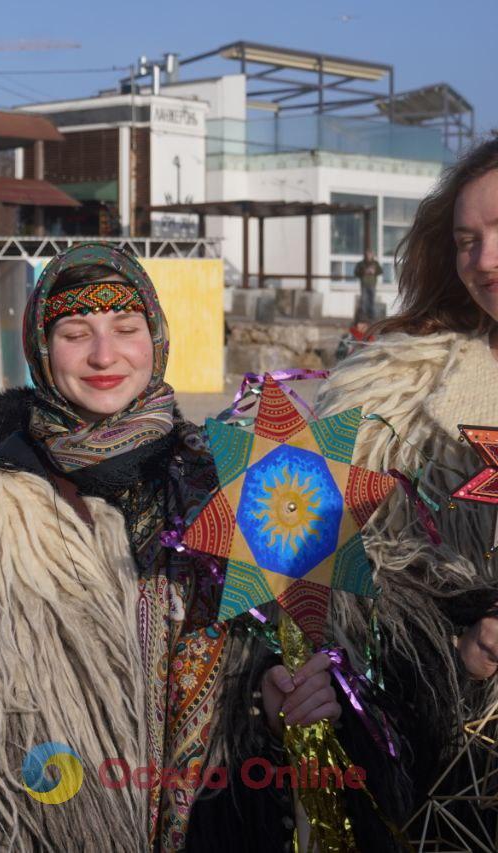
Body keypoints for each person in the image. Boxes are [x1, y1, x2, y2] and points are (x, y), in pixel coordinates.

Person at [0, 242, 488, 852]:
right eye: (73, 333)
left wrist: (272, 693)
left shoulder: (230, 478)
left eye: (126, 328)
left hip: (223, 818)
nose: (103, 354)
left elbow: (355, 641)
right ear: (40, 347)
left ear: (156, 336)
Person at [315, 136, 498, 830]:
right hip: (453, 781)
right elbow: (316, 576)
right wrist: (437, 646)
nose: (481, 261)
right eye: (465, 240)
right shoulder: (397, 394)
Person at [353, 250, 384, 324]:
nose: (368, 256)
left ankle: (372, 317)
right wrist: (364, 272)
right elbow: (356, 273)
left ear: (372, 255)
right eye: (367, 255)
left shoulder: (375, 263)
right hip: (364, 284)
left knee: (372, 301)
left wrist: (374, 271)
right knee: (363, 300)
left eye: (370, 255)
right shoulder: (361, 264)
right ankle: (363, 317)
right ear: (365, 256)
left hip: (372, 284)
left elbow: (381, 271)